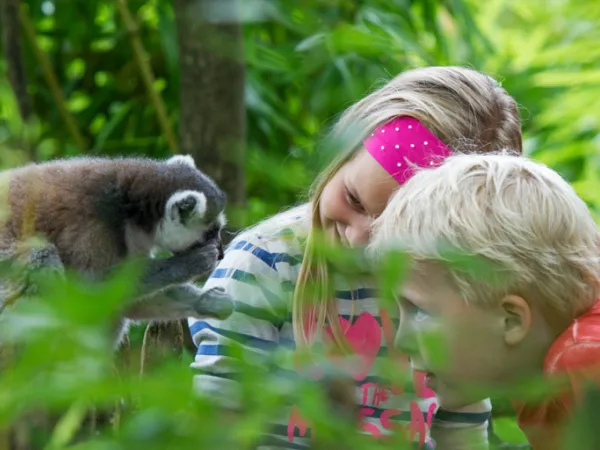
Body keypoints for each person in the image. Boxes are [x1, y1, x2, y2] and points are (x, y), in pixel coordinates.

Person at [188, 66, 523, 449]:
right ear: (343, 153)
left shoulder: (446, 291)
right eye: (354, 199)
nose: (360, 236)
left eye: (393, 232)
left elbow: (460, 426)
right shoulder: (265, 267)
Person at [368, 151, 600, 450]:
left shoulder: (585, 361)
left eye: (421, 311)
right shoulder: (531, 367)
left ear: (511, 320)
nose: (402, 340)